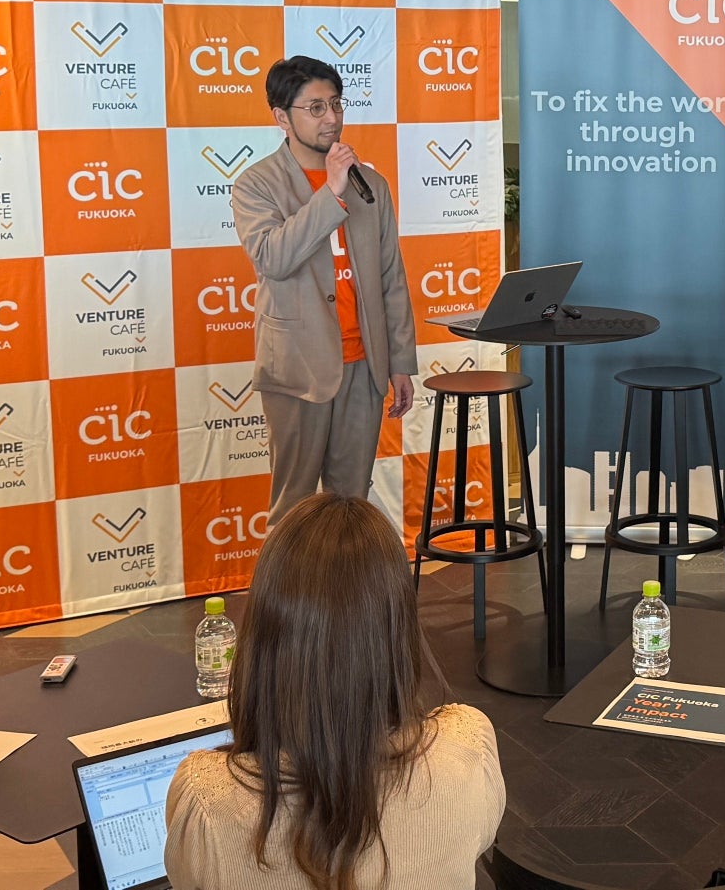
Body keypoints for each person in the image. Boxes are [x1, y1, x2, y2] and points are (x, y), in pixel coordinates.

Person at [164, 494, 504, 890]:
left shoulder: (206, 799)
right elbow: (479, 839)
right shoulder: (469, 747)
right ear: (397, 627)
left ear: (264, 637)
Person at [233, 56, 415, 523]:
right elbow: (273, 258)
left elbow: (391, 279)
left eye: (335, 104)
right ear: (282, 117)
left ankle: (347, 579)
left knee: (351, 505)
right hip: (297, 368)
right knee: (293, 510)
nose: (331, 117)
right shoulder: (256, 184)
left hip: (364, 366)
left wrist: (399, 363)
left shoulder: (371, 184)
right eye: (315, 108)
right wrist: (330, 192)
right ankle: (286, 578)